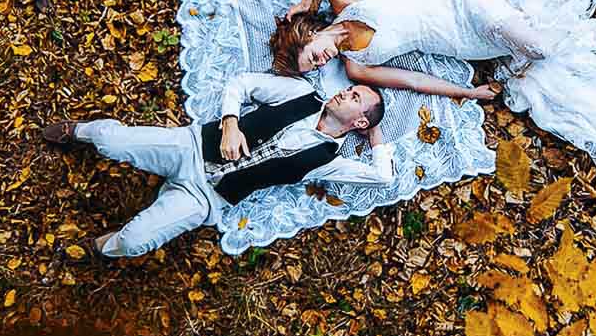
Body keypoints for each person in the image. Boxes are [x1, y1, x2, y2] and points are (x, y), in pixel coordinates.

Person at [269, 0, 596, 196]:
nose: (322, 61)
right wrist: (466, 92)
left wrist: (305, 1)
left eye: (312, 55)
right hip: (459, 42)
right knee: (539, 44)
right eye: (316, 67)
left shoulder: (343, 6)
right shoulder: (356, 67)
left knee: (538, 47)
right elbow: (413, 81)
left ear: (310, 33)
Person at [40, 73, 393, 257]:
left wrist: (375, 131)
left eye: (355, 98)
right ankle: (79, 131)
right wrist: (230, 122)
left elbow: (382, 177)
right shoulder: (300, 93)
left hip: (206, 197)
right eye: (350, 89)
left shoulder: (328, 161)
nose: (345, 93)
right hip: (190, 147)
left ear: (359, 123)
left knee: (134, 243)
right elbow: (242, 83)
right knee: (111, 141)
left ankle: (96, 248)